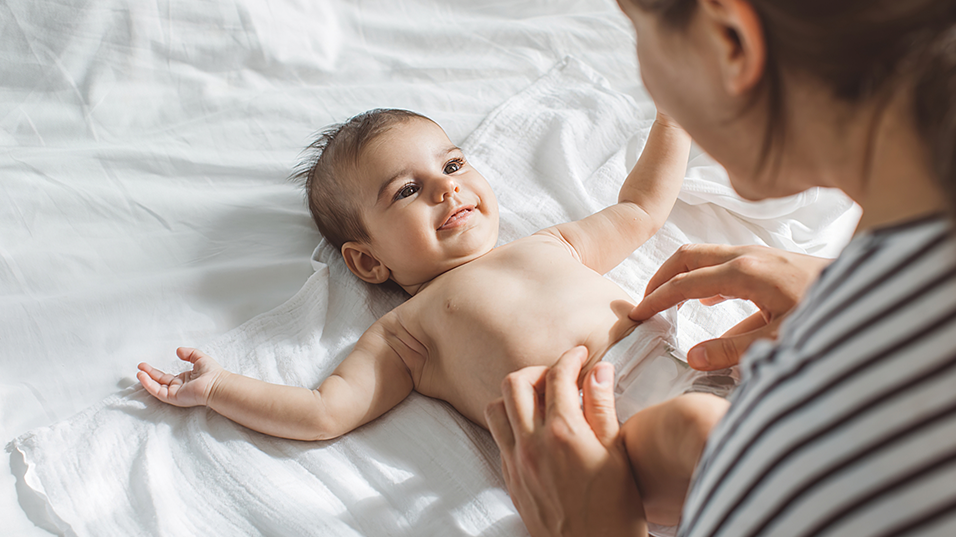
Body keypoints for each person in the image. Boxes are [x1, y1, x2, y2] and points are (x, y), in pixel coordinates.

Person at [485, 0, 956, 535]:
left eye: (635, 27)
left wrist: (595, 526)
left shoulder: (784, 474)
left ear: (729, 39)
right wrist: (855, 289)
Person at [136, 108, 727, 519]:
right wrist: (219, 388)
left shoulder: (551, 243)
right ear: (367, 263)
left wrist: (673, 119)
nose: (446, 190)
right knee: (701, 431)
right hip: (610, 439)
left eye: (451, 166)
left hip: (706, 370)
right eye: (406, 191)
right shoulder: (409, 332)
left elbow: (641, 207)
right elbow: (323, 411)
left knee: (788, 385)